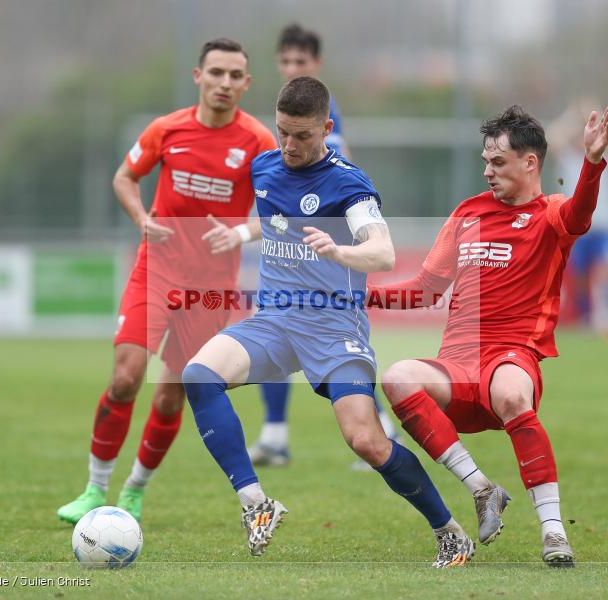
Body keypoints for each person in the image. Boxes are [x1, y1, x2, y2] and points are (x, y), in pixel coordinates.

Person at [181, 76, 474, 568]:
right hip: (274, 321)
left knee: (365, 439)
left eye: (302, 136)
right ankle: (257, 503)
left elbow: (381, 251)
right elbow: (276, 218)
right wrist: (237, 233)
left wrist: (341, 250)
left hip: (333, 327)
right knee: (198, 376)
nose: (290, 146)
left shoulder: (348, 184)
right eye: (282, 133)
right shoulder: (265, 167)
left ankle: (448, 530)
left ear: (326, 129)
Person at [369, 104, 608, 568]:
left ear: (530, 163)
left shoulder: (551, 214)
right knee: (399, 376)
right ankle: (482, 489)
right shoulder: (467, 213)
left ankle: (554, 532)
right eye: (485, 161)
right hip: (458, 365)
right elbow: (425, 291)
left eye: (498, 162)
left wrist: (593, 162)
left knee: (509, 391)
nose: (488, 172)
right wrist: (365, 296)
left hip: (512, 357)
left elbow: (581, 215)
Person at [56, 38, 277, 524]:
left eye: (234, 75)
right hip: (157, 268)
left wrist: (241, 231)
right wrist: (141, 218)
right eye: (216, 72)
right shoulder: (166, 128)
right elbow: (123, 177)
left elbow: (280, 209)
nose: (224, 83)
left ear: (246, 83)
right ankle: (94, 488)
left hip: (211, 288)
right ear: (198, 76)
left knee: (171, 390)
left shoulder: (259, 141)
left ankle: (134, 489)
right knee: (125, 377)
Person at [248, 23, 399, 469]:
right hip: (289, 254)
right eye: (286, 62)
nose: (292, 68)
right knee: (268, 327)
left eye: (301, 62)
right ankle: (276, 435)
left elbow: (343, 182)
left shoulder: (326, 124)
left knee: (335, 348)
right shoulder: (285, 123)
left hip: (325, 260)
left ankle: (379, 429)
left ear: (316, 65)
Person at [549, 99, 608, 336]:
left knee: (606, 269)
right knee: (578, 274)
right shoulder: (569, 158)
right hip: (578, 225)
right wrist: (573, 115)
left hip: (604, 224)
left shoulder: (603, 153)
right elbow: (552, 138)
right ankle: (585, 317)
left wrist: (596, 113)